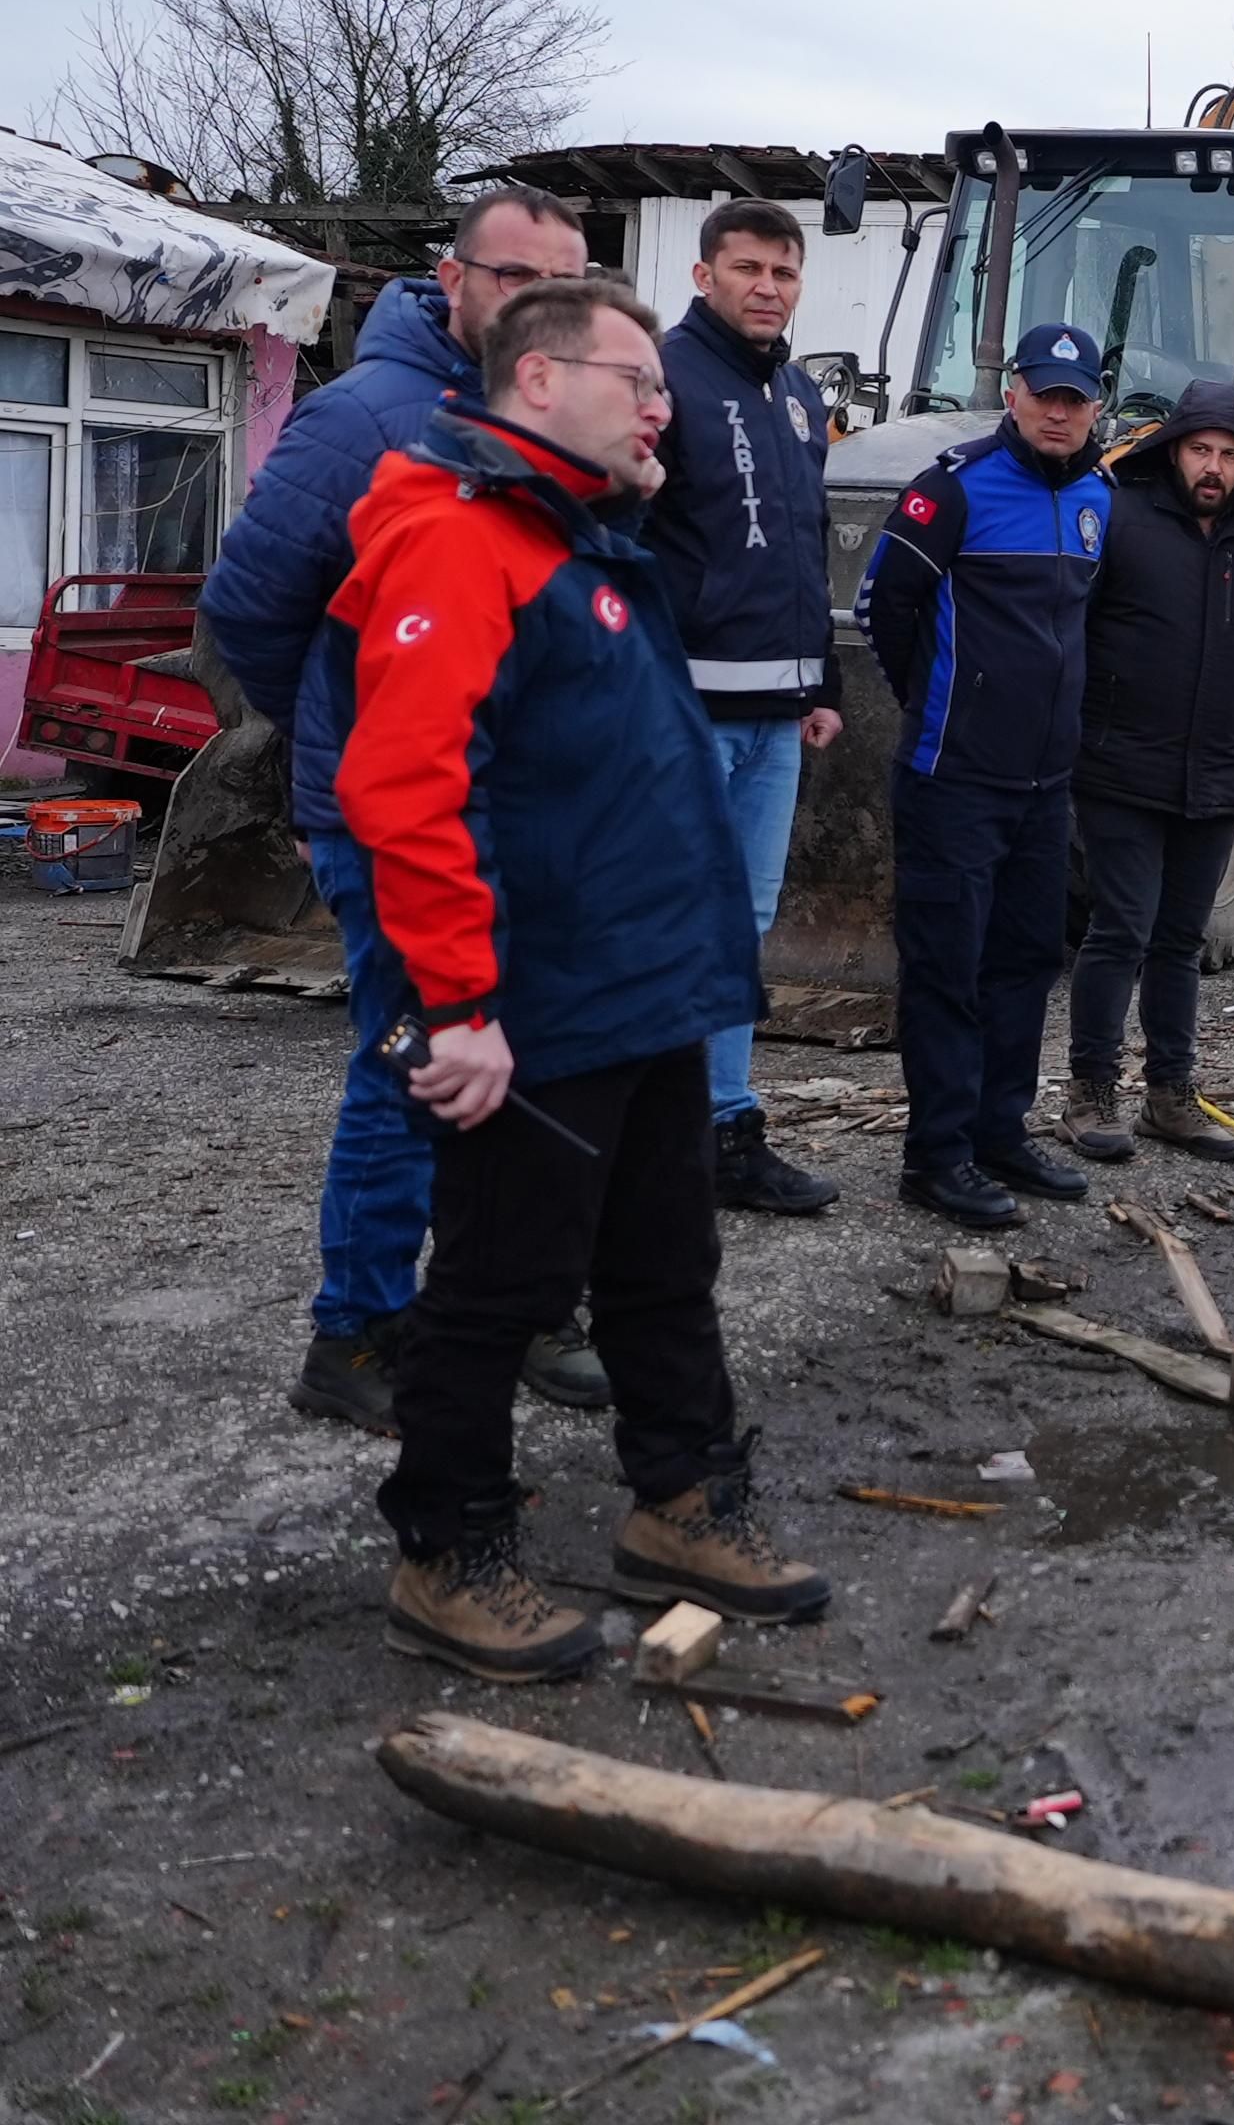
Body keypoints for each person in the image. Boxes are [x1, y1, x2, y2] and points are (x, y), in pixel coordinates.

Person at [323, 275, 827, 1679]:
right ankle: (450, 1553)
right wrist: (459, 1006)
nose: (662, 402)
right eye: (637, 379)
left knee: (668, 1262)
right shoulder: (454, 537)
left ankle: (682, 1502)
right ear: (538, 383)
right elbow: (405, 789)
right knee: (501, 1282)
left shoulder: (578, 533)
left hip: (646, 982)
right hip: (539, 999)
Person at [199, 186, 605, 1434]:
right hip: (398, 820)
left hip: (531, 816)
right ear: (455, 278)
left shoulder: (556, 423)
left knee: (538, 1065)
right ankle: (360, 1333)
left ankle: (520, 1299)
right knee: (413, 1065)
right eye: (518, 278)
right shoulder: (365, 418)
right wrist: (358, 730)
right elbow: (251, 609)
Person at [859, 324, 1116, 1229]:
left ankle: (999, 1130)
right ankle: (935, 1157)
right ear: (1014, 393)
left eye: (1074, 398)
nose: (1058, 410)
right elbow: (882, 605)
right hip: (952, 779)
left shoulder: (1097, 495)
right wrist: (941, 705)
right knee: (946, 970)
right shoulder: (954, 488)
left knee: (1023, 962)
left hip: (1046, 787)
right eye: (1044, 393)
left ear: (1094, 408)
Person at [1059, 382, 1234, 1164]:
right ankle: (1090, 1095)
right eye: (1201, 450)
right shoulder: (1119, 518)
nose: (1213, 468)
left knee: (1179, 941)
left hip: (1215, 777)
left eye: (1230, 455)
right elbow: (1068, 628)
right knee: (1119, 932)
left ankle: (1170, 1097)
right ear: (1172, 450)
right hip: (1117, 766)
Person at [649, 199, 844, 1217]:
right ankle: (655, 1130)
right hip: (688, 713)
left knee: (744, 924)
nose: (767, 286)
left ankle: (724, 1125)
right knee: (677, 921)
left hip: (777, 715)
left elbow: (806, 547)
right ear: (703, 277)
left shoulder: (801, 398)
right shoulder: (664, 382)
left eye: (783, 270)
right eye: (748, 269)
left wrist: (823, 682)